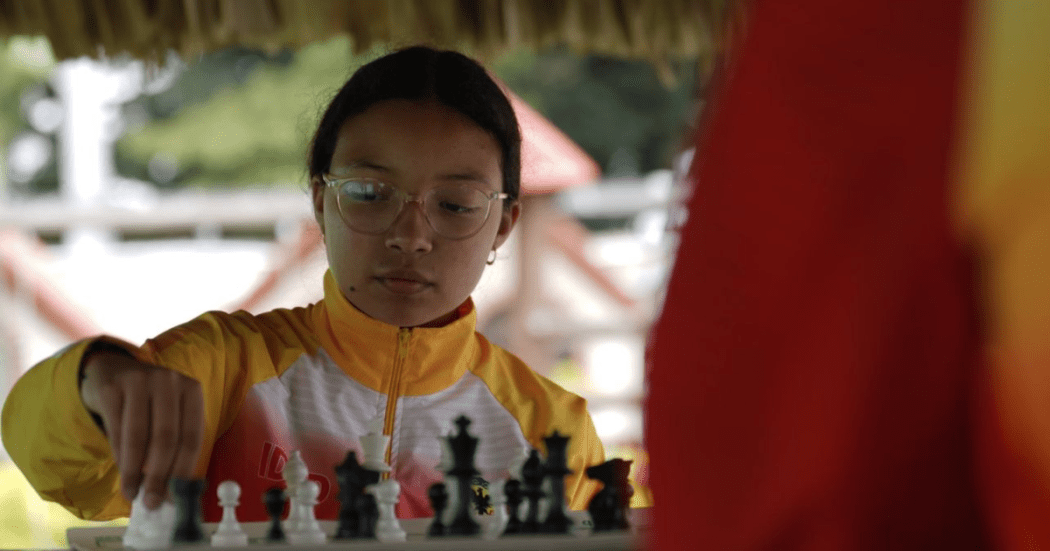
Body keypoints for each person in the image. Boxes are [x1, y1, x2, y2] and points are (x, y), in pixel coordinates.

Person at [1, 45, 605, 523]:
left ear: (503, 223)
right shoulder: (224, 368)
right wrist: (96, 378)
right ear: (321, 203)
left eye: (455, 204)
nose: (411, 235)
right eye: (369, 194)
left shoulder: (551, 429)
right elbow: (60, 467)